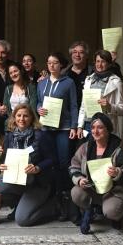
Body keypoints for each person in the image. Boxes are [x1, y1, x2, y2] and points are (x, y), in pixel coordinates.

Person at [0, 104, 58, 226]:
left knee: (22, 220)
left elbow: (52, 159)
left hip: (38, 183)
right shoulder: (9, 136)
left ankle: (54, 206)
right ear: (14, 117)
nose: (22, 119)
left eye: (26, 116)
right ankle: (19, 203)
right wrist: (2, 166)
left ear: (32, 118)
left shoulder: (41, 136)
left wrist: (38, 168)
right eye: (19, 115)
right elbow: (5, 160)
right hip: (19, 182)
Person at [69, 113, 123, 234]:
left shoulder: (118, 150)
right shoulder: (85, 148)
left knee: (112, 212)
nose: (95, 131)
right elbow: (74, 166)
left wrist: (118, 174)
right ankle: (91, 209)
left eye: (100, 127)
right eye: (93, 127)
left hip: (112, 192)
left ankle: (115, 217)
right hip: (91, 189)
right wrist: (79, 179)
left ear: (108, 129)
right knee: (76, 192)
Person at [37, 52, 78, 218]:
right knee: (50, 162)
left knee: (63, 163)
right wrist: (39, 108)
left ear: (61, 65)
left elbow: (74, 105)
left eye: (55, 63)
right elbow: (38, 101)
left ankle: (65, 197)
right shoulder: (41, 83)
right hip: (46, 127)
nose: (51, 65)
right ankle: (52, 198)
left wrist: (74, 126)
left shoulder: (68, 82)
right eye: (49, 62)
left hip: (64, 128)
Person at [77, 50, 123, 138]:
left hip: (105, 125)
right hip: (88, 125)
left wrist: (110, 106)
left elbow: (122, 109)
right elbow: (83, 106)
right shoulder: (88, 80)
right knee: (88, 151)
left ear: (109, 64)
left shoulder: (116, 81)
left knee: (103, 151)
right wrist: (80, 126)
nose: (100, 65)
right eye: (98, 61)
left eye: (103, 62)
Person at [62, 41, 94, 110]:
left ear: (86, 55)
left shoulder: (94, 73)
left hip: (87, 113)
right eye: (74, 52)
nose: (77, 55)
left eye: (81, 52)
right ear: (71, 55)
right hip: (68, 114)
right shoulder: (63, 74)